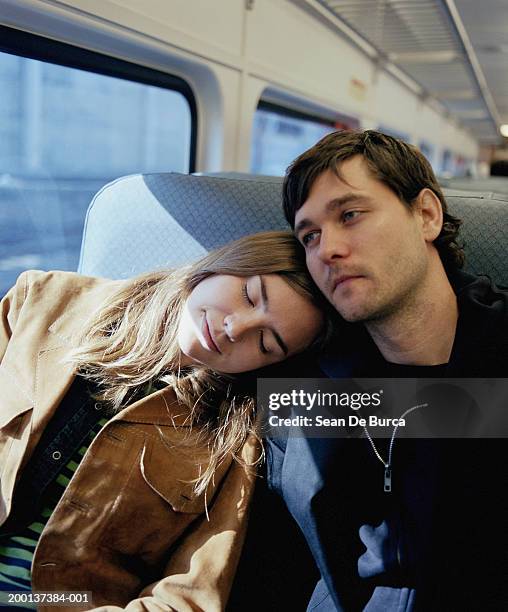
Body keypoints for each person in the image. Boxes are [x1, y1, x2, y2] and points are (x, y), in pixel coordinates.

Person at [0, 230, 334, 612]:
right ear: (227, 262)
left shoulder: (234, 443)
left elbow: (186, 598)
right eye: (249, 295)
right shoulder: (41, 300)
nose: (235, 329)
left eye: (264, 343)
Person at [267, 130, 508, 610]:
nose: (326, 250)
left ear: (426, 215)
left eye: (350, 215)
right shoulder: (309, 386)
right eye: (309, 235)